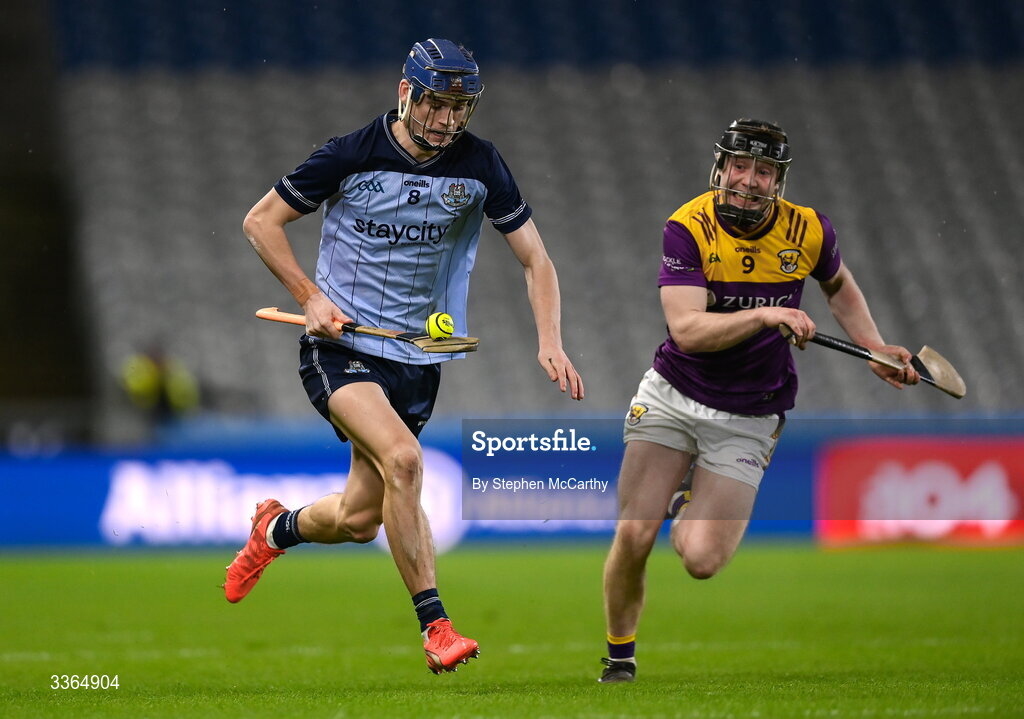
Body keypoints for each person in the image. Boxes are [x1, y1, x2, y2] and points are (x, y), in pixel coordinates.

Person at [225, 38, 584, 675]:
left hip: (418, 360)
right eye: (436, 104)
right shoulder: (350, 153)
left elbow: (537, 259)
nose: (448, 120)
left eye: (461, 107)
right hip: (339, 349)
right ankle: (436, 626)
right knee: (404, 459)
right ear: (405, 94)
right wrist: (309, 296)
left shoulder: (480, 165)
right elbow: (260, 221)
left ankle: (275, 529)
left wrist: (549, 339)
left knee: (361, 519)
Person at [597, 119, 918, 683]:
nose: (749, 180)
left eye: (763, 170)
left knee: (700, 560)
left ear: (779, 180)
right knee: (633, 532)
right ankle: (619, 657)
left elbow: (838, 285)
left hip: (750, 411)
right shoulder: (687, 226)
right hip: (673, 394)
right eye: (739, 167)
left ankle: (686, 507)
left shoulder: (809, 230)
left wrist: (873, 346)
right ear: (720, 168)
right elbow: (687, 331)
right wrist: (766, 314)